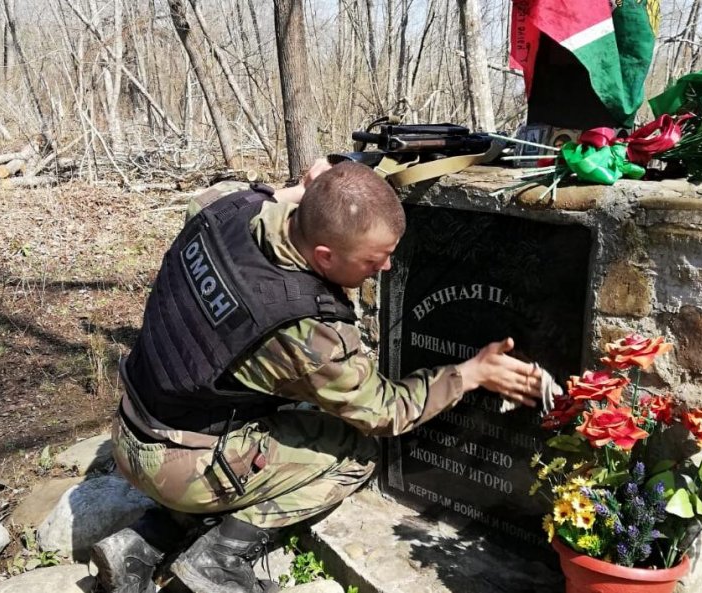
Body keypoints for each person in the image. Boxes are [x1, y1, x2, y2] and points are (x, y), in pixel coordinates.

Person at [91, 161, 547, 593]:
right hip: (173, 461)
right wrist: (470, 372)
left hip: (134, 420)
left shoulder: (223, 207)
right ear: (325, 257)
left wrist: (307, 191)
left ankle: (145, 539)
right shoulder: (305, 329)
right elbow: (385, 412)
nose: (385, 268)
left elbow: (256, 200)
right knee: (355, 453)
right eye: (374, 261)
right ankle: (219, 559)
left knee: (293, 409)